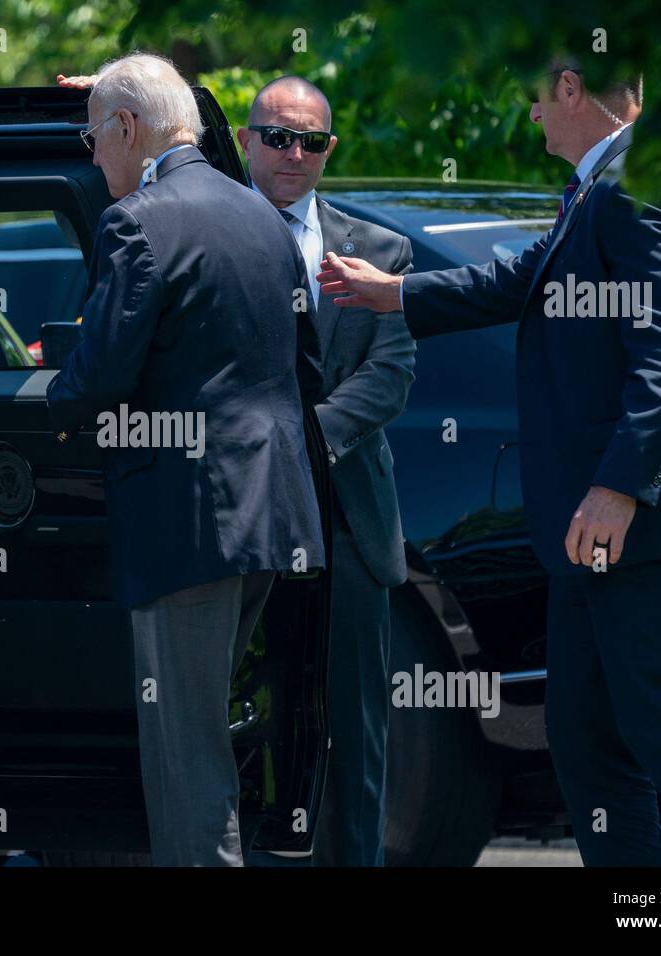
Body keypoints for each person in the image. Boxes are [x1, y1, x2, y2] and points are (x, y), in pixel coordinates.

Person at [317, 57, 661, 866]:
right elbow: (524, 279)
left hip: (636, 527)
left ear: (571, 88)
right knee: (587, 738)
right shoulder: (605, 187)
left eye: (536, 97)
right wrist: (396, 294)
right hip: (588, 536)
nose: (531, 116)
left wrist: (616, 487)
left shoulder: (644, 186)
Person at [47, 53, 325, 866]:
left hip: (187, 522)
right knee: (203, 729)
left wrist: (51, 396)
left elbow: (101, 376)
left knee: (186, 753)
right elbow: (295, 366)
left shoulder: (138, 220)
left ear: (128, 129)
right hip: (269, 513)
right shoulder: (262, 216)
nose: (94, 159)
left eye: (95, 138)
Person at [239, 75, 415, 866]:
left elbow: (391, 373)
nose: (293, 154)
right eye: (277, 136)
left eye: (310, 141)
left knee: (358, 724)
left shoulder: (381, 252)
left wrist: (307, 440)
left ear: (329, 149)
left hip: (349, 514)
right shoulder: (211, 235)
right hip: (247, 516)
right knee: (258, 715)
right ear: (246, 140)